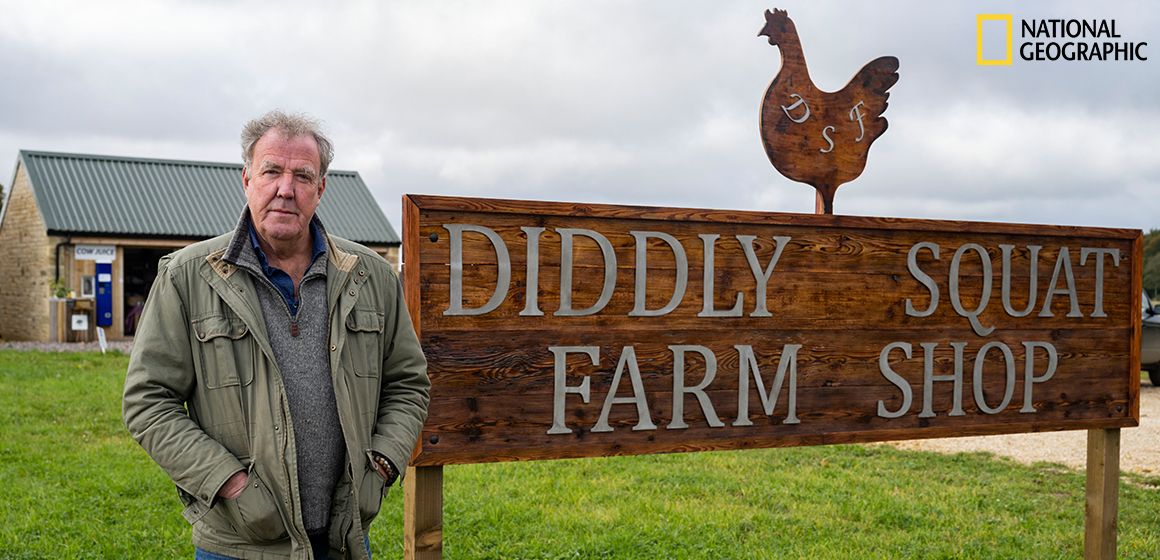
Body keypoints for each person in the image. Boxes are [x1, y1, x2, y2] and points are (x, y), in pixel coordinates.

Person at [123, 110, 430, 560]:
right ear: (246, 178)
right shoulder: (188, 278)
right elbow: (147, 402)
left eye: (302, 176)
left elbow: (409, 383)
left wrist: (380, 464)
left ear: (321, 190)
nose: (285, 189)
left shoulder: (372, 277)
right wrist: (228, 481)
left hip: (345, 538)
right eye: (271, 171)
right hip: (239, 544)